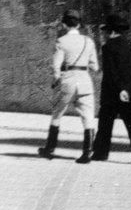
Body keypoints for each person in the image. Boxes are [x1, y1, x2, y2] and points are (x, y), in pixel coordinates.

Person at [90, 14, 131, 164]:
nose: (105, 35)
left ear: (111, 32)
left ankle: (100, 153)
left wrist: (120, 89)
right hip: (130, 93)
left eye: (106, 32)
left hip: (112, 93)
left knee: (105, 124)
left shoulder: (107, 48)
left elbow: (111, 72)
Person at [38, 9, 99, 163]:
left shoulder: (61, 41)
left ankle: (49, 149)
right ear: (79, 24)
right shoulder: (89, 41)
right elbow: (95, 67)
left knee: (57, 114)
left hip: (68, 81)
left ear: (64, 24)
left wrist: (56, 79)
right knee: (88, 117)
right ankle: (87, 152)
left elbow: (56, 66)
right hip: (85, 82)